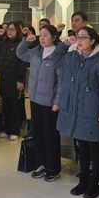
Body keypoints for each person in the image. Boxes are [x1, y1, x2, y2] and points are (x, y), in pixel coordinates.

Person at [56, 26, 99, 198]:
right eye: (78, 37)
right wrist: (66, 43)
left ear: (93, 41)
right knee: (82, 147)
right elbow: (55, 57)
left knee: (93, 148)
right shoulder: (73, 56)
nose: (79, 41)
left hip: (92, 110)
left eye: (83, 38)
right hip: (76, 109)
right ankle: (83, 180)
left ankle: (94, 183)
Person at [16, 24, 68, 182]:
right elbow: (20, 53)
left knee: (50, 135)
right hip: (35, 100)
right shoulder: (35, 52)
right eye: (41, 34)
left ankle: (53, 168)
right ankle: (41, 164)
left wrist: (58, 101)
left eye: (46, 35)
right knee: (37, 133)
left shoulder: (58, 54)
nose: (42, 38)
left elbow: (62, 81)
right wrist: (26, 40)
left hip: (50, 103)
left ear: (54, 37)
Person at [0, 21, 28, 140]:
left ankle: (15, 130)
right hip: (4, 78)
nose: (10, 31)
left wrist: (20, 80)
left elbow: (23, 63)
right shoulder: (5, 43)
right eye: (8, 29)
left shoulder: (21, 44)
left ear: (18, 31)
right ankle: (7, 129)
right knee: (6, 105)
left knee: (15, 106)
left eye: (12, 29)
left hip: (15, 79)